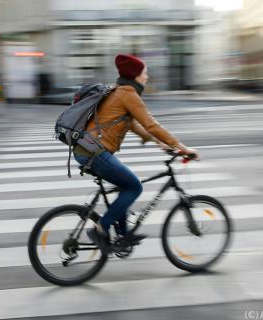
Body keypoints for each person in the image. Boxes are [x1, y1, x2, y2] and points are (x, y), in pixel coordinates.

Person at [73, 54, 199, 248]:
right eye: (144, 73)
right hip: (93, 152)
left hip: (87, 149)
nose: (147, 76)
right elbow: (151, 124)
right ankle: (100, 229)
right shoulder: (128, 93)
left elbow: (131, 123)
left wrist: (159, 143)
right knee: (134, 186)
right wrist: (180, 147)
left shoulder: (119, 91)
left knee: (126, 186)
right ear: (135, 75)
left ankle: (123, 235)